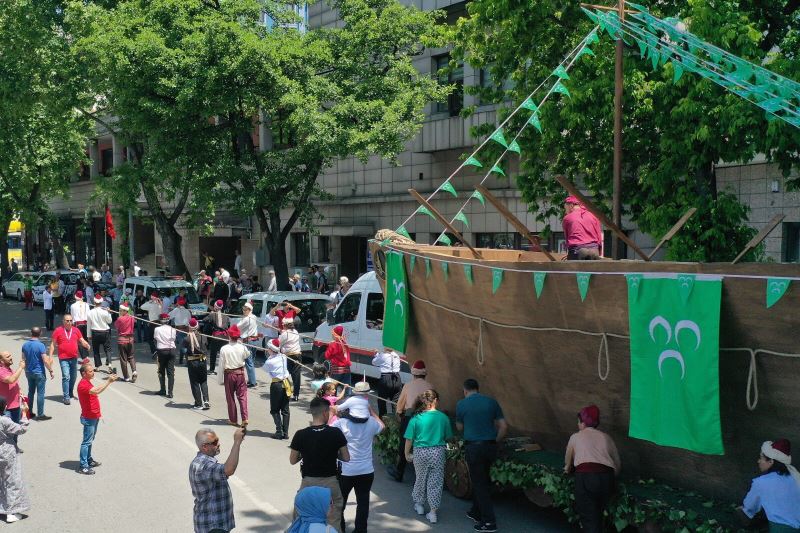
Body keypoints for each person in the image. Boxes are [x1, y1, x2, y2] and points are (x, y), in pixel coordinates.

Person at [289, 397, 350, 527]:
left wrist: (304, 453)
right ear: (324, 413)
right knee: (333, 520)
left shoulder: (300, 434)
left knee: (302, 517)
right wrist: (334, 453)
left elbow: (292, 460)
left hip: (308, 482)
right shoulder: (335, 432)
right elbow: (346, 457)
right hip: (330, 482)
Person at [456, 379, 508, 533]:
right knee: (484, 479)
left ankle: (489, 522)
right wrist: (495, 440)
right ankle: (475, 511)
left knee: (479, 485)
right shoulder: (491, 402)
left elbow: (459, 427)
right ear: (478, 389)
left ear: (465, 391)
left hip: (474, 447)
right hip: (490, 446)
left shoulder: (461, 404)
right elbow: (504, 426)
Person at [564, 405, 621, 533]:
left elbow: (568, 463)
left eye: (578, 422)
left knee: (589, 518)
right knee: (599, 513)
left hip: (586, 479)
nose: (578, 425)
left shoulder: (575, 437)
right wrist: (611, 478)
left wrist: (567, 469)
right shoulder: (606, 437)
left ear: (583, 423)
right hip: (607, 478)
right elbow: (617, 464)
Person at [403, 389, 452, 524]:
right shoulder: (443, 417)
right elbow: (448, 437)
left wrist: (406, 453)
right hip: (438, 452)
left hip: (420, 452)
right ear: (435, 400)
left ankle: (419, 505)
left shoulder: (415, 418)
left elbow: (409, 439)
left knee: (420, 478)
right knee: (435, 481)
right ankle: (433, 512)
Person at [332, 403, 384, 533]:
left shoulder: (341, 423)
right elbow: (382, 426)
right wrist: (372, 411)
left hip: (346, 470)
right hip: (366, 470)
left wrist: (333, 414)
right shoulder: (371, 422)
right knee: (363, 503)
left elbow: (327, 430)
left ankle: (340, 528)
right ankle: (360, 530)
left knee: (340, 503)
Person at [190, 427, 245, 533]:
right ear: (205, 447)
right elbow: (229, 470)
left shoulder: (202, 462)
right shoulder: (203, 465)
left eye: (218, 440)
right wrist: (237, 442)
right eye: (214, 442)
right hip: (213, 525)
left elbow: (220, 474)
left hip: (213, 523)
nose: (218, 444)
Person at [388, 360, 434, 482]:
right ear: (425, 374)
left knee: (404, 443)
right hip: (427, 419)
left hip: (410, 417)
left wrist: (398, 413)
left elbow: (400, 405)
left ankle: (399, 472)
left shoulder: (408, 385)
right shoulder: (430, 386)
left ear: (413, 374)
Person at [741, 439, 800, 531]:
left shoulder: (761, 482)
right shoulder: (795, 475)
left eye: (761, 458)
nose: (758, 461)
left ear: (771, 462)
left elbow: (749, 508)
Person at [77, 362, 118, 475]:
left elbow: (96, 390)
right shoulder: (83, 385)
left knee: (90, 440)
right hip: (89, 418)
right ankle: (83, 466)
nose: (92, 372)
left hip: (94, 416)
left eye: (92, 370)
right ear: (84, 373)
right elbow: (97, 390)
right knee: (86, 442)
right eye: (90, 371)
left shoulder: (88, 382)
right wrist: (108, 382)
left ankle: (88, 459)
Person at [0, 396, 30, 523]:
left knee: (1, 480)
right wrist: (24, 414)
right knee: (11, 481)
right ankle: (11, 512)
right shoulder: (4, 421)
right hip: (7, 451)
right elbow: (22, 429)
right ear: (4, 407)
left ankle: (2, 506)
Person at [49, 314, 91, 404]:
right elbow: (53, 344)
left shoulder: (76, 330)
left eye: (71, 320)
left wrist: (86, 344)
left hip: (74, 358)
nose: (69, 322)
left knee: (74, 377)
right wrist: (50, 357)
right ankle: (66, 396)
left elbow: (81, 340)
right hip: (63, 358)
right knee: (66, 376)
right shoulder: (58, 330)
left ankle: (70, 391)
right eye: (67, 320)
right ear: (63, 321)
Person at [217, 325, 249, 427]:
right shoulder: (242, 347)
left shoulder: (224, 348)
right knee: (242, 397)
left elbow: (221, 365)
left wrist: (220, 379)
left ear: (229, 336)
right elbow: (247, 355)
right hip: (240, 373)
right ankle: (245, 418)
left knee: (230, 397)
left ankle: (233, 419)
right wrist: (242, 345)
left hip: (229, 374)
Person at [21, 327, 53, 420]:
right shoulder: (41, 345)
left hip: (29, 372)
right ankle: (40, 414)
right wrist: (51, 370)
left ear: (31, 333)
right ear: (40, 333)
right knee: (40, 393)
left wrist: (25, 370)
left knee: (30, 392)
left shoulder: (25, 345)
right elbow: (45, 360)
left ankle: (29, 412)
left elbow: (23, 359)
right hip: (39, 372)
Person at [263, 339, 291, 439]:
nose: (267, 350)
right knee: (285, 409)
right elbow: (281, 353)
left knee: (274, 409)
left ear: (271, 349)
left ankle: (279, 432)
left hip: (277, 385)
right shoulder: (283, 357)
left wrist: (270, 356)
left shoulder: (269, 361)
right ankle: (286, 433)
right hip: (286, 383)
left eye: (268, 348)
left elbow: (265, 369)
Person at [562, 196, 603, 260]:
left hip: (578, 251)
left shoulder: (567, 218)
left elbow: (567, 238)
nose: (565, 211)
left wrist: (569, 254)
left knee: (572, 269)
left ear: (571, 205)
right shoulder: (593, 216)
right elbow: (599, 236)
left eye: (565, 208)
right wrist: (599, 252)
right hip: (594, 251)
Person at [184, 319, 210, 410]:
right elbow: (206, 345)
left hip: (192, 362)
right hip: (203, 361)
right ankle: (206, 400)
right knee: (203, 381)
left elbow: (183, 348)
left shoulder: (187, 338)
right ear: (198, 326)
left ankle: (198, 403)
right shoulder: (204, 336)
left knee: (194, 382)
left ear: (189, 327)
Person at [371, 347, 402, 418]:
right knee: (395, 402)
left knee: (382, 401)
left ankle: (383, 420)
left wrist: (376, 354)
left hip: (386, 378)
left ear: (386, 348)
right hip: (397, 378)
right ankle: (396, 420)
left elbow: (374, 362)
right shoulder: (396, 355)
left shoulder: (383, 355)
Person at [236, 302, 260, 388]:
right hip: (255, 341)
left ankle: (252, 382)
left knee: (249, 362)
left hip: (248, 341)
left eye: (245, 309)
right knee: (251, 361)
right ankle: (251, 379)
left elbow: (237, 327)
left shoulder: (246, 319)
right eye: (243, 309)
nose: (243, 311)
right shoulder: (254, 317)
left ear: (249, 310)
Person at [154, 313, 177, 398]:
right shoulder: (173, 329)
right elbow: (173, 339)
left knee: (161, 370)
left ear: (160, 320)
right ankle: (170, 392)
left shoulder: (157, 329)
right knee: (171, 372)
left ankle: (163, 389)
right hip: (172, 350)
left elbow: (156, 338)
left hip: (162, 350)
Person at [203, 300, 229, 375]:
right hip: (225, 337)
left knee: (213, 353)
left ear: (215, 307)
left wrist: (210, 314)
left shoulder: (212, 315)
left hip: (216, 337)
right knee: (224, 354)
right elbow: (228, 325)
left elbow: (204, 320)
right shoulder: (226, 316)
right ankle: (226, 369)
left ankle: (212, 369)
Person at [279, 317, 302, 401]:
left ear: (285, 325)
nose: (282, 326)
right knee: (296, 376)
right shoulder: (295, 331)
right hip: (297, 355)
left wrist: (281, 334)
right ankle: (296, 394)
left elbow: (280, 344)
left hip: (289, 356)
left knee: (284, 374)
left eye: (283, 325)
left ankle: (286, 391)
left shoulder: (285, 334)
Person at [87, 295, 113, 368]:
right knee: (107, 349)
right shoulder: (105, 311)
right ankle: (110, 363)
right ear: (101, 302)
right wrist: (109, 313)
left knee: (96, 350)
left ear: (94, 302)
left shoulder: (90, 312)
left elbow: (89, 324)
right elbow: (110, 321)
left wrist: (89, 335)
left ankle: (97, 366)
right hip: (105, 331)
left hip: (95, 332)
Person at [324, 326, 351, 395]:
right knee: (346, 388)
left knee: (332, 389)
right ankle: (347, 404)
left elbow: (327, 355)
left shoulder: (333, 344)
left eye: (332, 334)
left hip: (337, 370)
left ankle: (333, 403)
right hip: (347, 369)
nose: (332, 335)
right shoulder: (344, 342)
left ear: (335, 334)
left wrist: (330, 345)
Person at [0, 352, 24, 426]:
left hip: (16, 406)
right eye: (8, 357)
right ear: (1, 361)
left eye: (10, 355)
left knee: (15, 432)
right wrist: (21, 367)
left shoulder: (9, 369)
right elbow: (11, 380)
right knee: (7, 435)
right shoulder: (1, 371)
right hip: (6, 409)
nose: (10, 357)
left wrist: (19, 390)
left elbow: (14, 381)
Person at [115, 304, 137, 383]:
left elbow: (116, 327)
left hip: (122, 340)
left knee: (123, 359)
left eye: (121, 310)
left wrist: (119, 317)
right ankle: (134, 371)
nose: (120, 312)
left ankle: (126, 377)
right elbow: (134, 322)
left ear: (125, 311)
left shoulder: (120, 319)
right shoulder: (132, 318)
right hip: (130, 339)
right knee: (131, 357)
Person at [169, 297, 192, 365]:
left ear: (178, 303)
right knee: (184, 345)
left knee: (183, 347)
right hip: (186, 329)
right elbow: (190, 320)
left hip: (179, 330)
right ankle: (181, 360)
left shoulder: (176, 310)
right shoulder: (187, 311)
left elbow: (168, 316)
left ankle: (189, 362)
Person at [70, 290, 90, 360]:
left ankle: (84, 357)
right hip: (85, 323)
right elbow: (89, 315)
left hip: (77, 324)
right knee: (85, 338)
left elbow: (72, 316)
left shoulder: (73, 306)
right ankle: (86, 355)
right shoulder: (86, 305)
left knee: (79, 340)